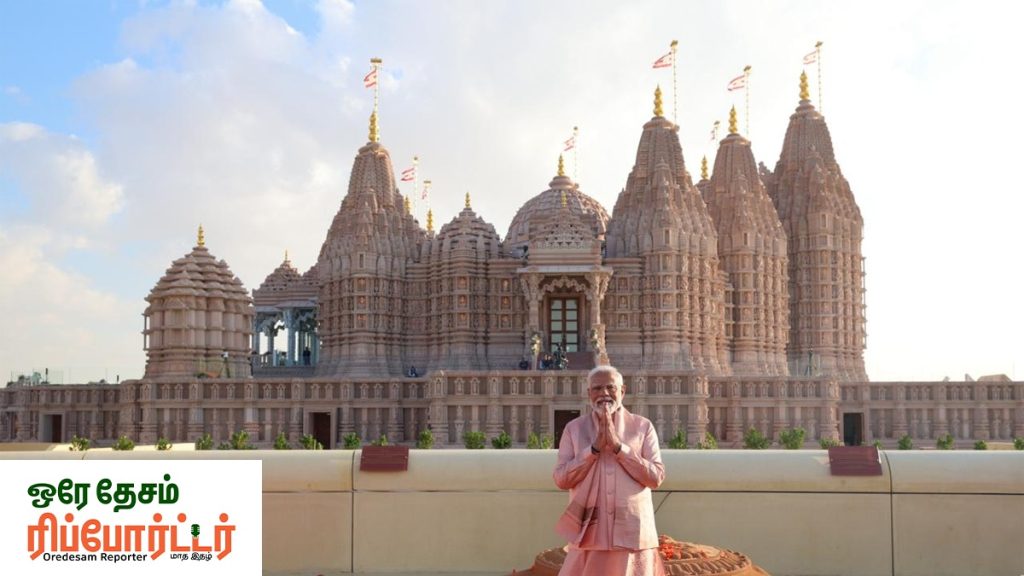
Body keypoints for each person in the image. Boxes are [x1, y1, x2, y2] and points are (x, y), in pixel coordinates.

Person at [553, 365, 665, 575]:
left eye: (610, 388)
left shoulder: (643, 427)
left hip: (633, 534)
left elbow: (656, 477)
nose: (603, 393)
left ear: (622, 391)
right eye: (596, 388)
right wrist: (592, 450)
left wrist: (619, 448)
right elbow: (561, 479)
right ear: (588, 394)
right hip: (589, 534)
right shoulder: (574, 429)